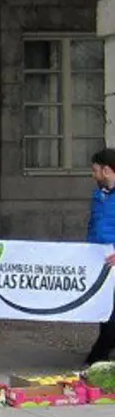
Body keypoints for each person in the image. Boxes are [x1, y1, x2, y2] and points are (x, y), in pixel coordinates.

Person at [85, 148, 115, 364]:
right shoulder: (99, 196)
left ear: (106, 170)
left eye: (95, 170)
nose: (93, 175)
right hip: (100, 261)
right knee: (105, 307)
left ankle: (99, 356)